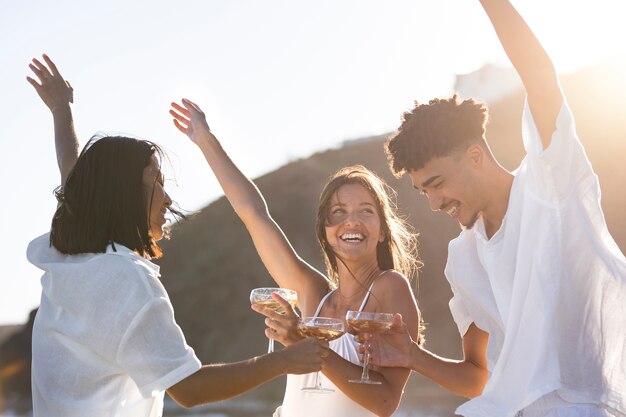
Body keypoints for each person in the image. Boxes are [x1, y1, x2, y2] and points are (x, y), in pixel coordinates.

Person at [26, 54, 330, 417]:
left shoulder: (70, 256)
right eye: (156, 182)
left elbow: (73, 173)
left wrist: (62, 110)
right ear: (123, 196)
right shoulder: (127, 282)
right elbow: (188, 387)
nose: (168, 199)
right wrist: (285, 361)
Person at [363, 1, 626, 416]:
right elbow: (477, 376)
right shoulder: (462, 258)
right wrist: (412, 355)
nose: (433, 203)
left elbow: (539, 75)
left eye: (437, 184)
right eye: (422, 191)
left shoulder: (550, 184)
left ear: (474, 156)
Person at [169, 98, 422, 417]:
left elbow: (385, 402)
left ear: (383, 231)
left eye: (365, 211)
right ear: (326, 231)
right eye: (338, 212)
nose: (351, 221)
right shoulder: (313, 295)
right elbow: (253, 214)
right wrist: (204, 138)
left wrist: (302, 342)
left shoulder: (389, 288)